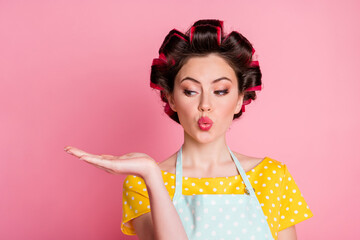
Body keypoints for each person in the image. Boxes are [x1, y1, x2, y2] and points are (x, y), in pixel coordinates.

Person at [65, 19, 313, 240]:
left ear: (239, 99)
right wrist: (151, 175)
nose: (205, 105)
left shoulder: (272, 176)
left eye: (221, 91)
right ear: (171, 99)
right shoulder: (142, 183)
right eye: (191, 91)